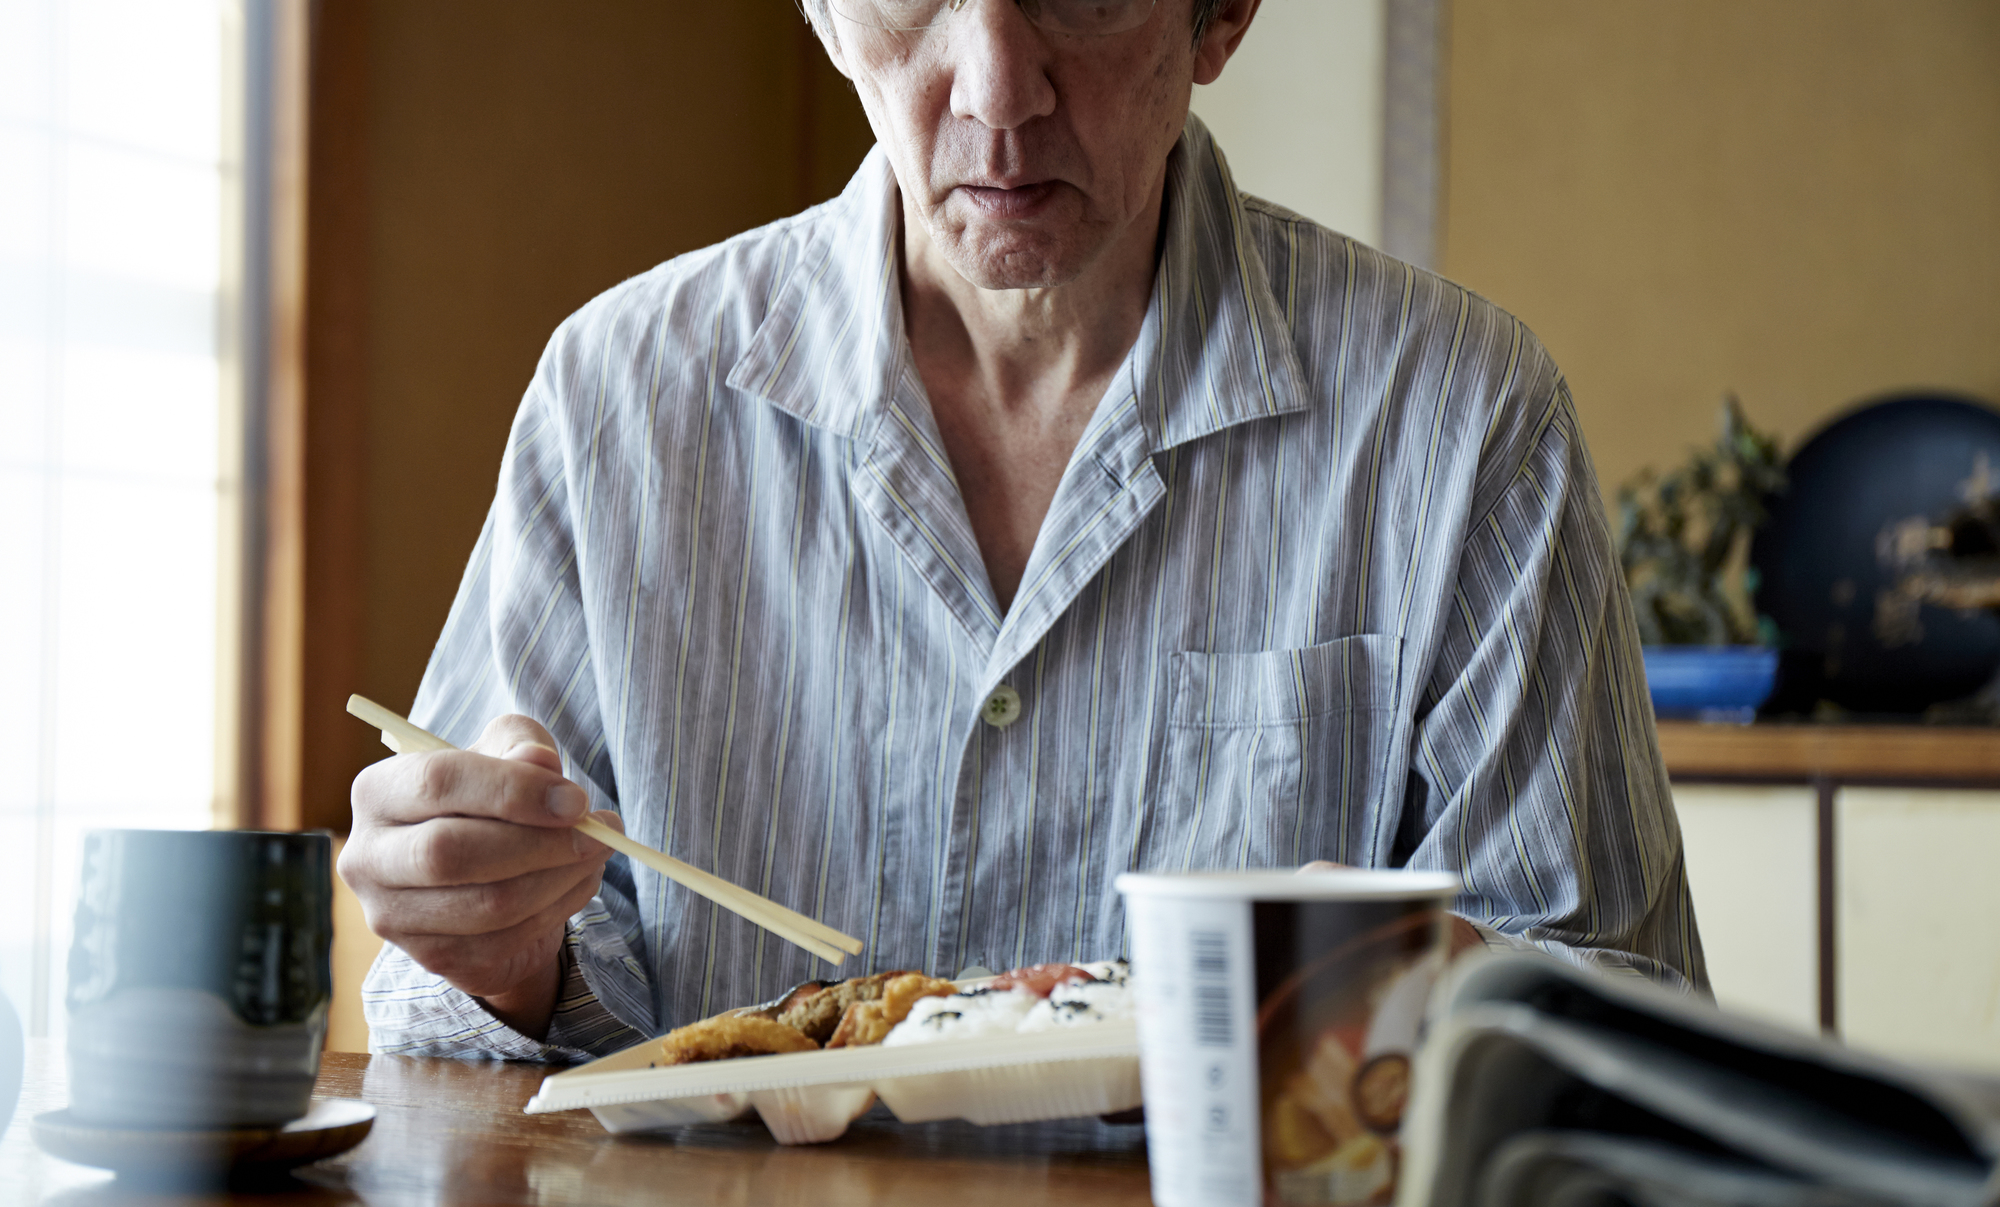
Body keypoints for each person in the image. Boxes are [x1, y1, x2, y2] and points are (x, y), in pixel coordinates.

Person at [340, 0, 1706, 1060]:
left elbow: (1627, 1023)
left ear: (1222, 14)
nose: (997, 91)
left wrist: (1440, 994)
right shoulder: (618, 399)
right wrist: (499, 953)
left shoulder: (1462, 418)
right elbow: (460, 1018)